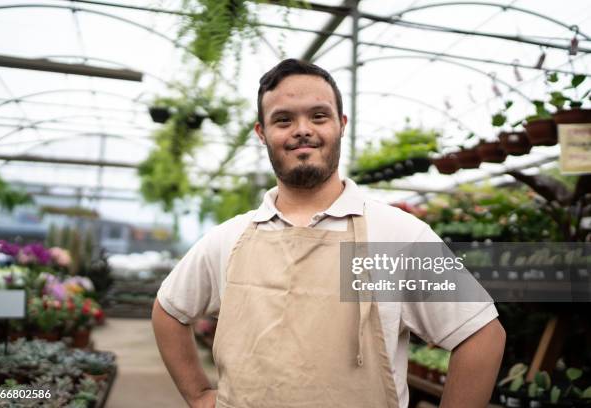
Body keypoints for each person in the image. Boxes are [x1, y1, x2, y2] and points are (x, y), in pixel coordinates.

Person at [152, 58, 506, 408]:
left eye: (318, 116)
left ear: (342, 124)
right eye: (283, 119)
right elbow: (169, 310)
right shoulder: (228, 239)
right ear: (261, 133)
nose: (302, 129)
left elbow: (480, 335)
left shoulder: (395, 234)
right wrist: (199, 395)